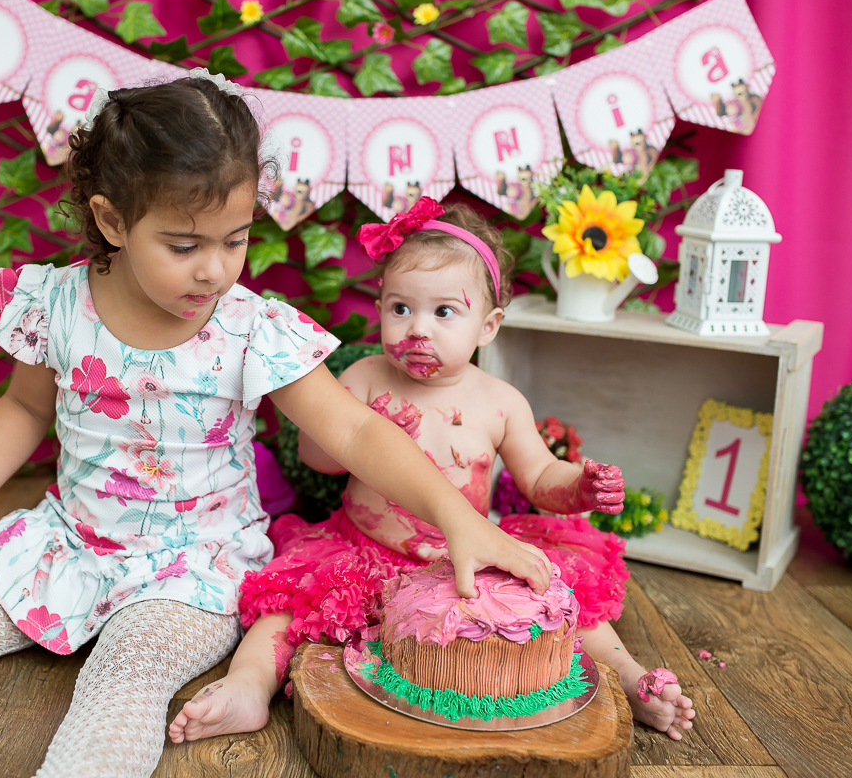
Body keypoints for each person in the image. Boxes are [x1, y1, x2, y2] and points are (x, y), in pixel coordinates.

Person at [0, 73, 560, 778]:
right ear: (114, 222)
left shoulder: (247, 327)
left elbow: (355, 433)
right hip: (73, 538)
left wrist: (458, 519)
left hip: (194, 566)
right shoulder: (59, 302)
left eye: (234, 240)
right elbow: (23, 408)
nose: (213, 271)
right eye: (182, 246)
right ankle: (74, 612)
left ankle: (119, 654)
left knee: (124, 678)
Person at [170, 199, 695, 744]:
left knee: (564, 600)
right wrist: (372, 427)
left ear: (487, 326)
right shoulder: (367, 377)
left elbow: (540, 479)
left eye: (444, 312)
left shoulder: (501, 402)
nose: (416, 329)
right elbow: (316, 457)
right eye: (400, 308)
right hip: (362, 551)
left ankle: (631, 680)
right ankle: (248, 687)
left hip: (469, 556)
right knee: (284, 611)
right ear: (380, 305)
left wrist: (579, 486)